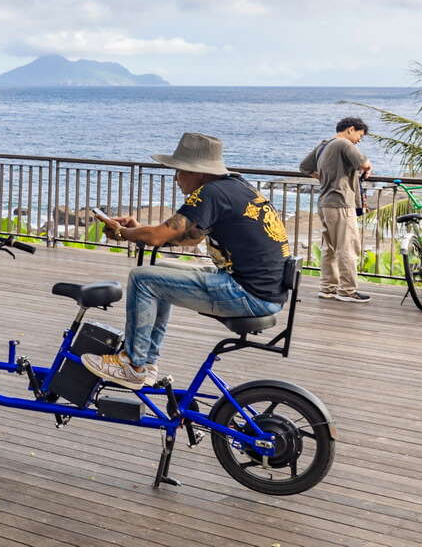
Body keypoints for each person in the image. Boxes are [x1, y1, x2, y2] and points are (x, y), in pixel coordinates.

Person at [87, 133, 292, 388]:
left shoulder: (210, 193)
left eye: (179, 171)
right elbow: (192, 237)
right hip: (262, 290)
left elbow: (157, 236)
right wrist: (138, 231)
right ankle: (147, 362)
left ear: (199, 173)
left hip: (248, 294)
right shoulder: (236, 186)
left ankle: (132, 364)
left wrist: (122, 233)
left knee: (142, 279)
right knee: (160, 270)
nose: (176, 179)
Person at [314, 117, 372, 303]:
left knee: (330, 248)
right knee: (347, 247)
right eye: (359, 135)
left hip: (325, 202)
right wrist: (369, 166)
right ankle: (347, 291)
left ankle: (327, 288)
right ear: (350, 129)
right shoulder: (343, 143)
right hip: (341, 203)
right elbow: (363, 163)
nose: (359, 140)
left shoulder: (324, 145)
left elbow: (304, 167)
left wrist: (327, 178)